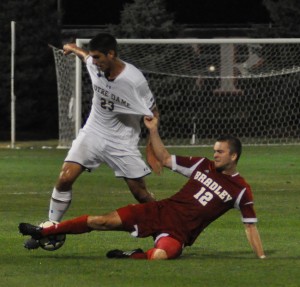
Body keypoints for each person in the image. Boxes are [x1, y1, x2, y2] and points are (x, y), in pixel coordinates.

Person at [19, 115, 266, 260]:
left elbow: (250, 226)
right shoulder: (203, 164)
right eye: (214, 150)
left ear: (233, 156)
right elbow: (165, 158)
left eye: (220, 152)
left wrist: (261, 256)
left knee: (160, 256)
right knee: (101, 221)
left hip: (178, 234)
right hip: (158, 211)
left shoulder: (241, 189)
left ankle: (131, 255)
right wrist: (154, 130)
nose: (215, 155)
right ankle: (45, 231)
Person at [24, 33, 159, 249]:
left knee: (140, 194)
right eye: (93, 58)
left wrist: (153, 144)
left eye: (98, 58)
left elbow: (153, 112)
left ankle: (164, 229)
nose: (94, 62)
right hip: (93, 132)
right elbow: (84, 55)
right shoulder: (96, 65)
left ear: (111, 54)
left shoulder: (134, 80)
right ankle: (51, 226)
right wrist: (72, 47)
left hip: (122, 141)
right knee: (64, 178)